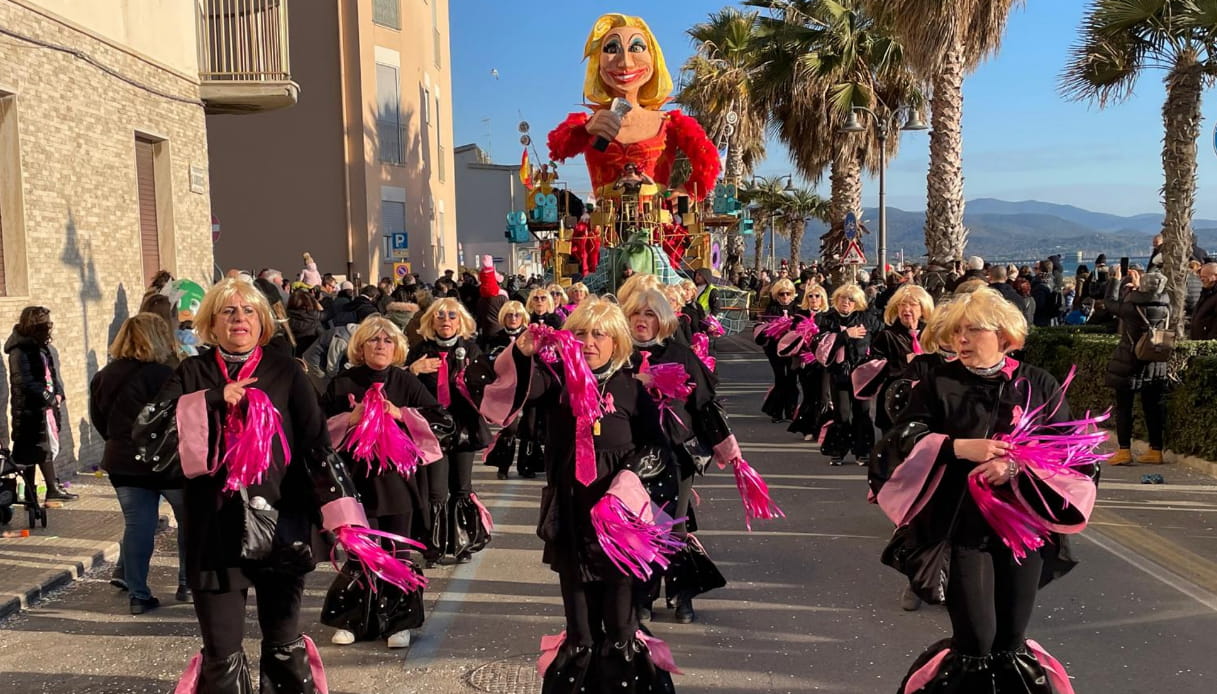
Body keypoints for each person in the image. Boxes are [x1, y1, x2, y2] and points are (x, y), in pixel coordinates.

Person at [145, 278, 403, 692]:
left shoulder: (285, 370)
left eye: (248, 311)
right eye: (228, 311)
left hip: (281, 521)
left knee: (283, 640)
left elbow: (316, 445)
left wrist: (343, 513)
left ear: (263, 321)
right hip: (215, 529)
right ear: (212, 322)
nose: (239, 319)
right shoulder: (192, 371)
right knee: (221, 649)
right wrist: (212, 399)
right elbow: (149, 432)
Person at [872, 287, 1097, 692]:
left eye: (973, 330)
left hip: (1023, 534)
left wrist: (1016, 466)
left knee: (1010, 640)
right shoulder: (934, 379)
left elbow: (1070, 454)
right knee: (976, 640)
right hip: (959, 529)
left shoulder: (1037, 384)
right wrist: (956, 447)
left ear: (1005, 336)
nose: (962, 340)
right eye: (957, 331)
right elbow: (898, 440)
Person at [483, 298, 680, 694]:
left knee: (622, 624)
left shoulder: (630, 390)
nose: (588, 342)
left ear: (617, 342)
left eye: (598, 334)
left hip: (619, 528)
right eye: (579, 334)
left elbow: (658, 450)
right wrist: (522, 354)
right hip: (572, 517)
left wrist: (629, 478)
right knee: (580, 627)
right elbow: (516, 391)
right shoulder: (556, 382)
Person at [321, 316, 451, 650]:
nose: (381, 346)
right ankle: (353, 620)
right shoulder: (343, 383)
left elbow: (442, 421)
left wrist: (401, 414)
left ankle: (399, 621)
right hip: (356, 481)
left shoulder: (406, 381)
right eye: (374, 340)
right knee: (359, 552)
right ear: (360, 347)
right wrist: (349, 419)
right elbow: (317, 431)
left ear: (396, 348)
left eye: (387, 341)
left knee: (398, 551)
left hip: (399, 481)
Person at [624, 289, 731, 625]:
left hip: (676, 455)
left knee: (675, 528)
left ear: (663, 320)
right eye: (636, 314)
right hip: (630, 456)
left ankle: (682, 595)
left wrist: (727, 447)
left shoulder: (680, 355)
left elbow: (704, 406)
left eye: (650, 314)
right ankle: (642, 596)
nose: (642, 321)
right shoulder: (619, 356)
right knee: (640, 528)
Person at [89, 313, 188, 613]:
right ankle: (187, 583)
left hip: (123, 462)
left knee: (138, 527)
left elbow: (99, 418)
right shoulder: (166, 375)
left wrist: (119, 440)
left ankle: (138, 594)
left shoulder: (104, 375)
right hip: (167, 462)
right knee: (190, 521)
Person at [406, 298, 494, 564]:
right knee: (435, 491)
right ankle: (433, 546)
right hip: (431, 430)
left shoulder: (470, 350)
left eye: (452, 316)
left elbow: (487, 386)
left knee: (462, 487)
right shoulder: (419, 351)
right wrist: (413, 370)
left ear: (461, 321)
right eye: (440, 316)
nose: (446, 321)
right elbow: (402, 388)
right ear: (431, 321)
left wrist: (472, 377)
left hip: (463, 427)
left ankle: (462, 543)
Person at [5, 306, 76, 503]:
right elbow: (25, 381)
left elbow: (50, 374)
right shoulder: (20, 351)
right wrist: (48, 397)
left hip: (43, 408)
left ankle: (41, 491)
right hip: (30, 409)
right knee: (34, 449)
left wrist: (58, 393)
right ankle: (37, 492)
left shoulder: (40, 347)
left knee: (41, 448)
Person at [1104, 266, 1170, 465]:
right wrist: (1139, 289)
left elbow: (1110, 303)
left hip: (1130, 361)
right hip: (1155, 361)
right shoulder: (1167, 305)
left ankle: (1124, 451)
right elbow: (1152, 297)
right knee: (1153, 407)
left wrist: (1116, 281)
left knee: (1124, 407)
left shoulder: (1132, 307)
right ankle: (1156, 450)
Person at [816, 284, 881, 466]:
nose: (846, 302)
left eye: (851, 299)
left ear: (858, 302)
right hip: (838, 373)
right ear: (836, 300)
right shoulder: (827, 319)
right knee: (842, 414)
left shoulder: (866, 319)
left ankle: (864, 452)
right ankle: (838, 451)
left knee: (863, 412)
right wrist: (845, 335)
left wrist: (874, 361)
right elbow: (821, 346)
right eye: (843, 298)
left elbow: (881, 337)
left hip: (862, 373)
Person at [867, 285, 934, 432]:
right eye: (902, 304)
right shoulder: (886, 335)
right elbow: (873, 367)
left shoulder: (932, 334)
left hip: (925, 401)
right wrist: (903, 361)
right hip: (895, 399)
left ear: (923, 308)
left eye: (912, 304)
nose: (906, 309)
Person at [482, 301, 530, 480]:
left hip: (527, 387)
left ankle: (526, 464)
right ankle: (503, 466)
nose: (513, 319)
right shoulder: (495, 337)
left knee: (529, 427)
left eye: (517, 315)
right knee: (510, 428)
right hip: (505, 388)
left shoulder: (529, 336)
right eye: (510, 315)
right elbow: (485, 362)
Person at [756, 279, 805, 423]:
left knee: (792, 379)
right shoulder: (772, 309)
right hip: (774, 350)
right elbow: (765, 329)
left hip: (793, 350)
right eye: (781, 294)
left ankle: (791, 412)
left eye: (788, 293)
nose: (785, 297)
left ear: (792, 294)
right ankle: (777, 412)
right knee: (780, 379)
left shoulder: (798, 309)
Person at [787, 284, 829, 440]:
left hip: (823, 361)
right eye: (810, 296)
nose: (814, 299)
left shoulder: (828, 316)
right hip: (805, 361)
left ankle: (821, 427)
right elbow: (792, 338)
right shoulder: (799, 316)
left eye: (817, 296)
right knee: (810, 395)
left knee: (824, 396)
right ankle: (809, 428)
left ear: (823, 298)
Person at [1191, 262, 1217, 339]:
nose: (1202, 279)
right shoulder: (1206, 293)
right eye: (1201, 276)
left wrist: (1209, 343)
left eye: (1205, 276)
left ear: (1215, 276)